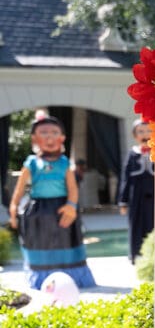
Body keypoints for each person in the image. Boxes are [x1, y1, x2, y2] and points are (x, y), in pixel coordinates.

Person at [8, 113, 95, 289]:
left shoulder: (64, 163)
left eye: (54, 132)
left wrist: (71, 206)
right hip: (38, 212)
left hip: (62, 210)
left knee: (66, 242)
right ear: (34, 138)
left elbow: (72, 189)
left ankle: (72, 278)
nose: (49, 137)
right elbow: (19, 188)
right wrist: (13, 208)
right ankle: (42, 280)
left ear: (62, 138)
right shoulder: (31, 163)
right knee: (39, 244)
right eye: (44, 132)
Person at [118, 119, 155, 263]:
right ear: (135, 135)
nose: (145, 134)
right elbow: (125, 178)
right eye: (141, 131)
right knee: (136, 223)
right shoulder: (132, 154)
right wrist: (123, 201)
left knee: (154, 222)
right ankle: (136, 254)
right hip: (136, 194)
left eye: (148, 131)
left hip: (154, 193)